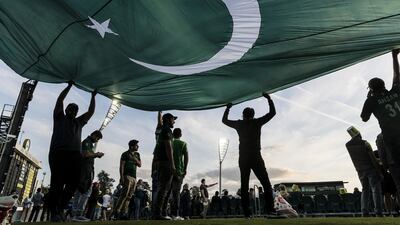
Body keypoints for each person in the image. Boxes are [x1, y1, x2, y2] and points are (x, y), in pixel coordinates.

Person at [222, 92, 276, 218]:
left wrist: (228, 107)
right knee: (266, 184)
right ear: (253, 115)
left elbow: (224, 120)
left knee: (244, 185)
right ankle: (270, 210)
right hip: (256, 156)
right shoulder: (257, 122)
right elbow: (272, 113)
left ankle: (247, 213)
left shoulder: (239, 124)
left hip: (244, 158)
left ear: (243, 115)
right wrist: (269, 99)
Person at [48, 82, 97, 222]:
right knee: (57, 183)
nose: (73, 111)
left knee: (73, 183)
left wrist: (93, 96)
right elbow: (60, 100)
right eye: (70, 109)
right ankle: (54, 212)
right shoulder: (59, 117)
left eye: (75, 110)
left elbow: (91, 112)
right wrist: (69, 86)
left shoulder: (79, 122)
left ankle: (60, 207)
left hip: (74, 155)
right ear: (66, 110)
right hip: (58, 153)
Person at [361, 49, 400, 198]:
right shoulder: (395, 91)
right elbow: (397, 76)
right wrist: (394, 56)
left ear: (371, 89)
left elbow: (364, 118)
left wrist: (369, 97)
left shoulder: (371, 100)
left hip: (393, 143)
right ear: (384, 85)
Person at [345, 126, 383, 217]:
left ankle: (364, 211)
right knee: (375, 190)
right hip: (371, 169)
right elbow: (373, 159)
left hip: (359, 170)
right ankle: (378, 212)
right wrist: (379, 170)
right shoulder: (365, 143)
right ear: (358, 133)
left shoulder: (348, 145)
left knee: (365, 190)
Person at [72, 130, 104, 221]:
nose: (97, 140)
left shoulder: (90, 143)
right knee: (85, 191)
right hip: (84, 169)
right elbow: (85, 154)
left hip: (88, 168)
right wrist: (96, 154)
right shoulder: (87, 142)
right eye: (97, 138)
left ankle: (76, 214)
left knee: (81, 190)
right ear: (94, 135)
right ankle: (77, 213)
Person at [152, 113, 177, 220]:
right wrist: (172, 163)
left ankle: (159, 212)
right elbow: (168, 147)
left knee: (163, 188)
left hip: (160, 161)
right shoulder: (167, 130)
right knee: (164, 188)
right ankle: (158, 213)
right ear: (167, 120)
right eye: (173, 119)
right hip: (165, 162)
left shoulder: (164, 130)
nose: (174, 121)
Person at [162, 128, 188, 220]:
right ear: (180, 134)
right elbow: (186, 157)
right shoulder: (183, 144)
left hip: (168, 169)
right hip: (178, 171)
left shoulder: (169, 142)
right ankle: (175, 214)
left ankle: (164, 213)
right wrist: (185, 169)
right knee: (176, 193)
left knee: (167, 192)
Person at [114, 140, 141, 219]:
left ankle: (124, 213)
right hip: (127, 176)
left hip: (134, 177)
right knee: (124, 195)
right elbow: (121, 165)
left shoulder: (137, 154)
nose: (138, 147)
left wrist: (134, 159)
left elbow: (139, 164)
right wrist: (121, 177)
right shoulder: (125, 154)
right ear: (131, 146)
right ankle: (117, 212)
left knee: (129, 196)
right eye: (136, 145)